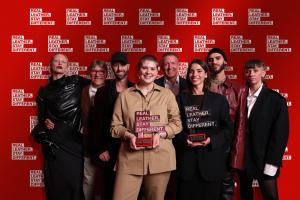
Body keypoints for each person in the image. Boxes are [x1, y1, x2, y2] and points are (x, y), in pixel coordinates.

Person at [111, 54, 182, 200]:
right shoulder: (124, 96)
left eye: (152, 69)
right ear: (138, 70)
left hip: (160, 158)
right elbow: (115, 127)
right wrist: (129, 135)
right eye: (144, 68)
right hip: (130, 158)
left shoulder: (167, 95)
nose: (148, 72)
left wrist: (160, 134)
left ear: (157, 72)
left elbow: (177, 123)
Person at [32, 53, 89, 200]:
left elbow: (100, 85)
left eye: (63, 62)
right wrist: (44, 123)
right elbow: (41, 119)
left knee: (75, 185)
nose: (59, 63)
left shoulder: (77, 81)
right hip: (55, 144)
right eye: (56, 61)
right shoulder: (44, 91)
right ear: (50, 65)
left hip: (74, 143)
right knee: (56, 187)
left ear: (67, 67)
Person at [175, 59, 233, 200]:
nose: (195, 74)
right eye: (192, 71)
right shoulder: (179, 99)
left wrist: (211, 140)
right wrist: (185, 140)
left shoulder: (219, 100)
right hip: (187, 164)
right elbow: (174, 129)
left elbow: (228, 130)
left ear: (206, 74)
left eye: (199, 71)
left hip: (211, 163)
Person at [239, 59, 289, 200]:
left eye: (255, 70)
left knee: (270, 196)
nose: (251, 74)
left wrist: (272, 163)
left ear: (263, 73)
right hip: (243, 158)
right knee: (245, 195)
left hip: (265, 159)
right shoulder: (240, 96)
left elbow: (280, 135)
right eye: (248, 71)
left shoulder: (276, 100)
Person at [206, 48, 247, 200]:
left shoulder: (239, 89)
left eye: (217, 58)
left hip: (226, 149)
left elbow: (241, 126)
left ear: (225, 62)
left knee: (225, 192)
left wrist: (235, 156)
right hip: (203, 146)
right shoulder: (199, 86)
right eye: (210, 59)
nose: (214, 62)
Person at [93, 51, 134, 199]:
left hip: (131, 147)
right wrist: (101, 148)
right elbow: (97, 122)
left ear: (128, 66)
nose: (119, 68)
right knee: (109, 189)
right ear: (111, 67)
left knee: (131, 189)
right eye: (116, 65)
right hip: (109, 147)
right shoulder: (103, 92)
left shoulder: (135, 88)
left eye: (122, 65)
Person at [81, 60, 107, 200]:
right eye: (94, 71)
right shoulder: (82, 91)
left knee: (105, 181)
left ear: (106, 74)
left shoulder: (111, 90)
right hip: (88, 143)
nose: (97, 74)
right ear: (89, 73)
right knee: (88, 180)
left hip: (106, 145)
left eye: (101, 71)